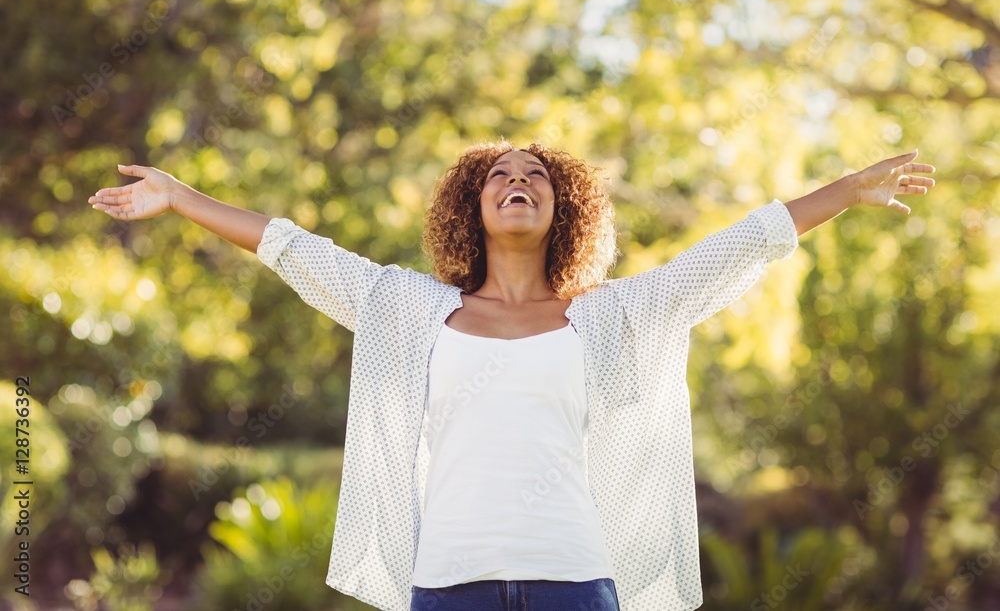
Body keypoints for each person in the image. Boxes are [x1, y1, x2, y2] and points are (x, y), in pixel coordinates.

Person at [88, 140, 935, 611]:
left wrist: (843, 191)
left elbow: (736, 248)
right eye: (500, 175)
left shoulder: (612, 316)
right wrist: (183, 196)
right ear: (473, 207)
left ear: (564, 211)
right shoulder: (409, 309)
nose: (517, 183)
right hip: (447, 584)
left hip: (576, 581)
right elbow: (292, 247)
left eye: (535, 177)